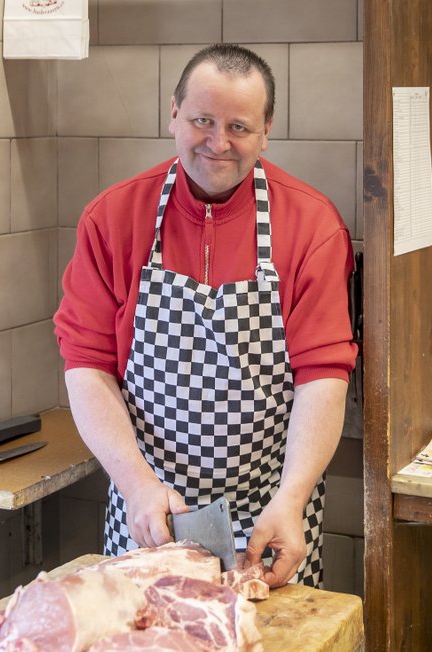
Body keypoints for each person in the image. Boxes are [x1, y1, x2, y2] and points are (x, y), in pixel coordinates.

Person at [53, 43, 357, 588]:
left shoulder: (312, 225)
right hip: (151, 510)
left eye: (239, 127)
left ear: (267, 130)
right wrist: (137, 483)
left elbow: (323, 377)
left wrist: (292, 498)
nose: (218, 144)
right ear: (173, 114)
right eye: (202, 121)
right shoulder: (113, 218)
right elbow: (87, 367)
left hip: (272, 516)